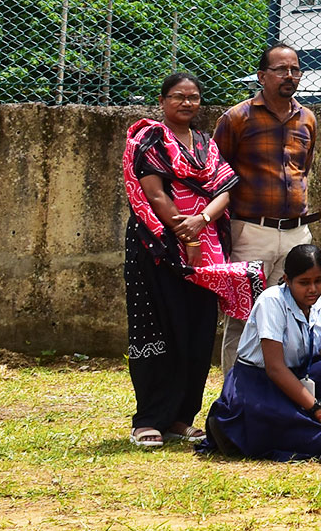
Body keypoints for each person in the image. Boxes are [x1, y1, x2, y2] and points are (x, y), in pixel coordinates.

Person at [121, 73, 264, 448]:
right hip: (158, 248)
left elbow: (225, 191)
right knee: (160, 328)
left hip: (206, 250)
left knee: (198, 330)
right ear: (162, 100)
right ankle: (148, 418)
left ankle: (182, 417)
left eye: (194, 97)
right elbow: (154, 193)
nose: (187, 103)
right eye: (178, 97)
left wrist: (201, 221)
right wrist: (184, 231)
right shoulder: (149, 140)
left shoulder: (206, 144)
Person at [201, 246, 321, 461]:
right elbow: (275, 369)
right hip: (259, 380)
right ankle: (231, 426)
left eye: (319, 280)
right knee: (282, 419)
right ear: (287, 280)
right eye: (304, 283)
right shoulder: (272, 301)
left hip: (299, 375)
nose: (313, 289)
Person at [213, 44, 319, 372]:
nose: (290, 76)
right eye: (281, 70)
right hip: (251, 232)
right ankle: (234, 399)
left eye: (295, 70)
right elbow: (217, 176)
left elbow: (305, 168)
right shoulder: (236, 118)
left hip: (296, 234)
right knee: (243, 318)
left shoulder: (308, 119)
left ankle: (279, 396)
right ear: (262, 76)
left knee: (291, 314)